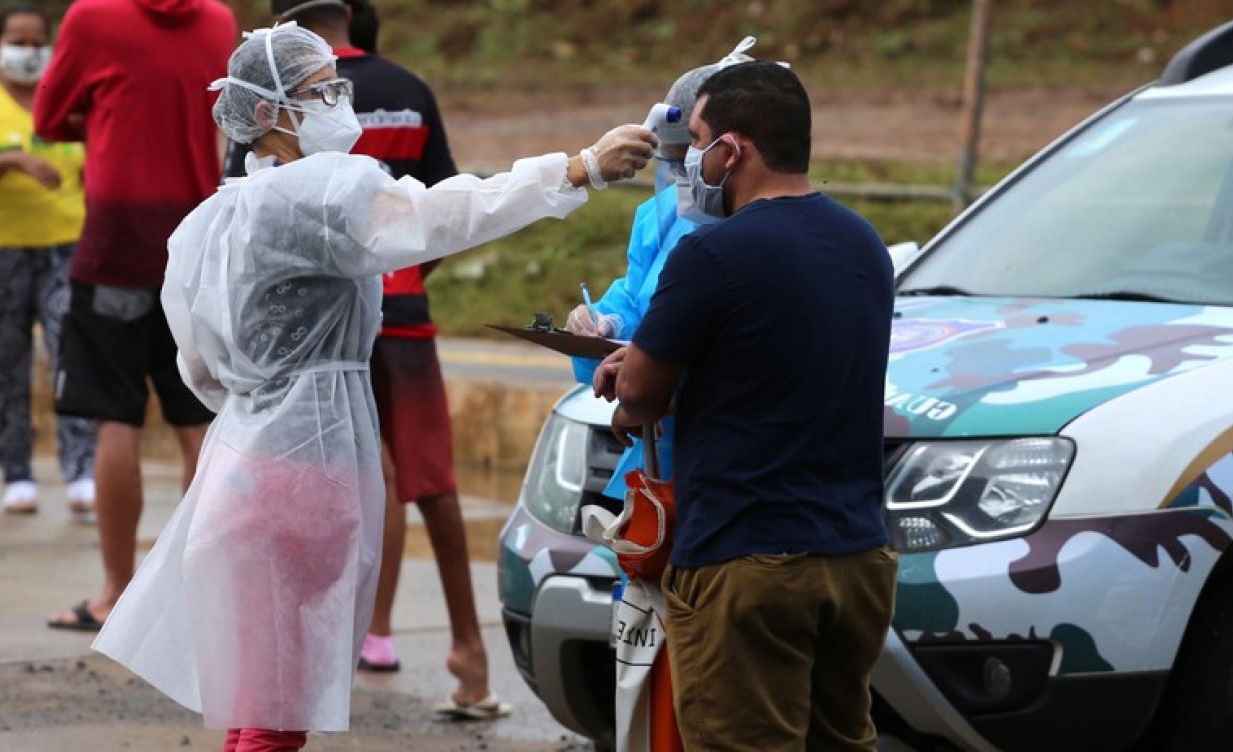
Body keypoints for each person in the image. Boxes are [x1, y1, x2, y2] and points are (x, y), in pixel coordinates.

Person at [90, 23, 653, 751]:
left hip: (243, 461)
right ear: (268, 113)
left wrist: (261, 402)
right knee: (278, 707)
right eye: (322, 90)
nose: (339, 101)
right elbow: (444, 213)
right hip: (311, 466)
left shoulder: (215, 217)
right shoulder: (320, 193)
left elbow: (197, 361)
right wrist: (576, 170)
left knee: (258, 701)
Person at [593, 62, 897, 751]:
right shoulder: (863, 244)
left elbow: (640, 394)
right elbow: (782, 355)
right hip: (856, 558)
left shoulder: (714, 255)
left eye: (697, 141)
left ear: (735, 150)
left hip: (748, 558)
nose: (690, 161)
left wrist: (630, 376)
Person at [238, 0, 500, 719]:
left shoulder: (269, 100)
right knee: (430, 477)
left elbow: (245, 212)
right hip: (404, 306)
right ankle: (469, 655)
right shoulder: (410, 91)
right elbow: (446, 206)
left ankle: (318, 647)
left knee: (312, 481)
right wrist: (404, 275)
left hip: (313, 326)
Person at [34, 0, 237, 630]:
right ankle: (197, 589)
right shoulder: (218, 22)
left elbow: (46, 116)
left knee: (114, 417)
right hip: (193, 242)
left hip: (116, 245)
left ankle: (116, 594)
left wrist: (103, 120)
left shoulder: (91, 19)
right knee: (198, 419)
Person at [565, 38, 755, 503]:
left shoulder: (760, 232)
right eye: (671, 163)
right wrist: (601, 323)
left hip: (727, 460)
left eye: (688, 155)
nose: (680, 178)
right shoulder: (658, 217)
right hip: (655, 456)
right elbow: (636, 298)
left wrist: (652, 376)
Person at [0, 4, 96, 517]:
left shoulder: (69, 98)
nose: (28, 52)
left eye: (37, 42)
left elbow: (95, 164)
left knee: (71, 354)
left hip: (65, 249)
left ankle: (81, 469)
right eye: (18, 41)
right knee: (1, 363)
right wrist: (10, 161)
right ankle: (17, 473)